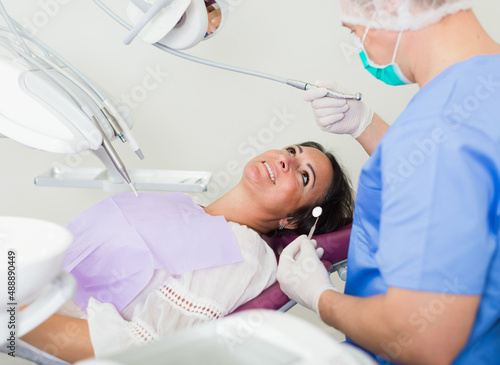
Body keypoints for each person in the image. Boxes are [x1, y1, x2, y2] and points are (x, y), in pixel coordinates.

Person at [277, 1, 500, 365]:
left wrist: (320, 298)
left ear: (387, 10)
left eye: (354, 31)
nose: (361, 47)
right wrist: (365, 124)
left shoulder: (434, 133)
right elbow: (457, 185)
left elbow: (422, 339)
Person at [21, 141, 354, 363]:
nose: (285, 160)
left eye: (303, 175)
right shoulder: (186, 205)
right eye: (293, 151)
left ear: (293, 220)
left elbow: (139, 350)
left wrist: (12, 317)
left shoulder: (245, 255)